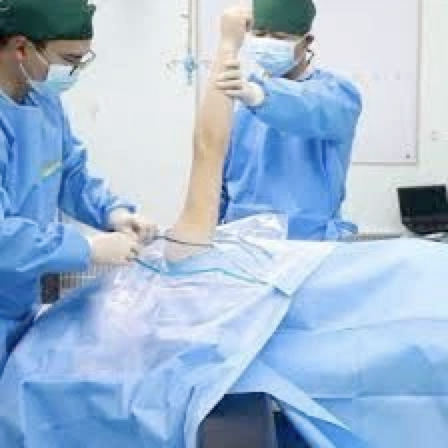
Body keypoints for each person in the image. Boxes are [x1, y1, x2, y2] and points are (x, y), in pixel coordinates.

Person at [0, 0, 156, 370]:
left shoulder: (43, 102)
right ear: (21, 47)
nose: (74, 72)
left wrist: (113, 213)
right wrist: (87, 248)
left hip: (18, 296)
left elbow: (69, 171)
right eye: (69, 60)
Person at [216, 0, 362, 241]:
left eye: (280, 37)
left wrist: (259, 95)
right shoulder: (242, 97)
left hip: (307, 242)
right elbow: (219, 178)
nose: (267, 43)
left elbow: (311, 107)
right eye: (260, 34)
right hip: (240, 238)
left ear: (306, 42)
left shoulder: (336, 94)